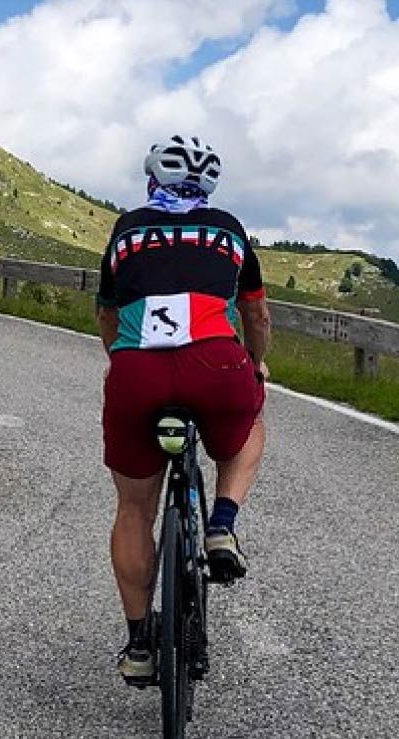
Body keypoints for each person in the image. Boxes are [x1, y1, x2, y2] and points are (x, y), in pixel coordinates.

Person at [97, 135, 271, 685]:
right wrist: (257, 363)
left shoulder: (125, 230)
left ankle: (139, 645)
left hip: (136, 373)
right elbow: (257, 316)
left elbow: (107, 314)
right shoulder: (230, 230)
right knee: (249, 427)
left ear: (153, 179)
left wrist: (122, 362)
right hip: (217, 366)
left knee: (133, 510)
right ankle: (222, 524)